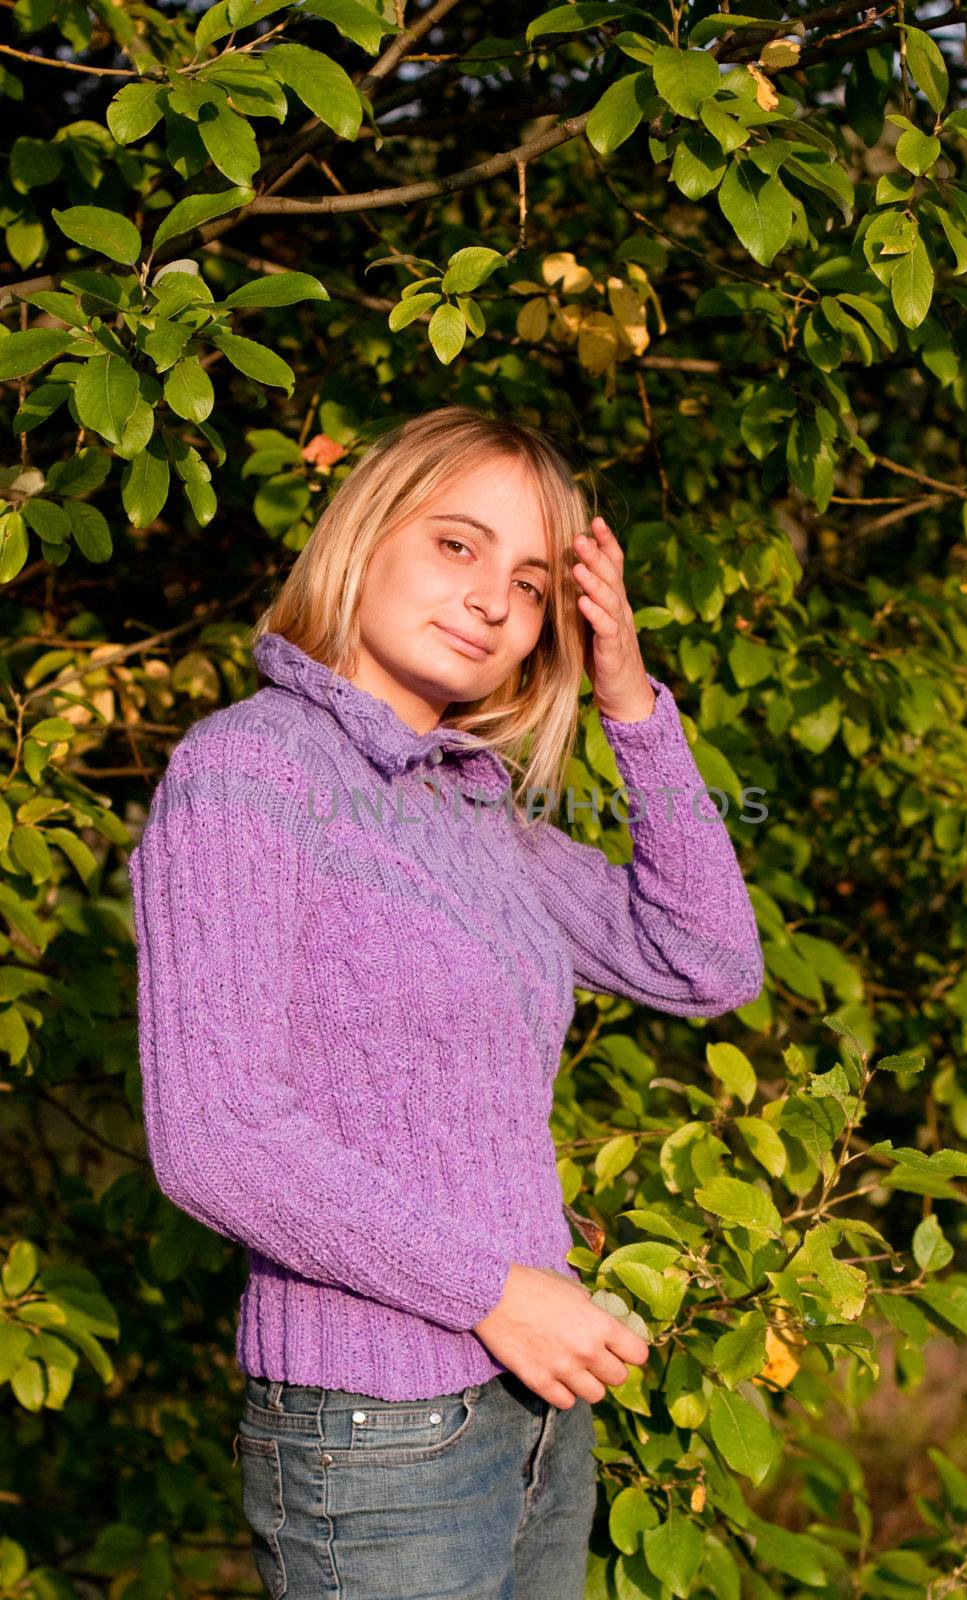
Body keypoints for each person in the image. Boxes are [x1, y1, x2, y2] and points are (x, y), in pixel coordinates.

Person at [127, 404, 764, 1600]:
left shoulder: (473, 813)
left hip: (528, 1416)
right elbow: (213, 1140)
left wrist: (630, 702)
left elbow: (707, 960)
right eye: (456, 545)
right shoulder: (248, 769)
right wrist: (496, 1291)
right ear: (365, 535)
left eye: (528, 583)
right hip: (374, 1439)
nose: (489, 600)